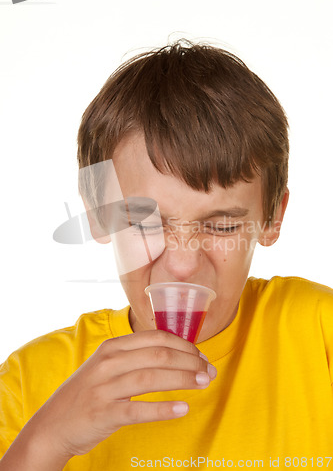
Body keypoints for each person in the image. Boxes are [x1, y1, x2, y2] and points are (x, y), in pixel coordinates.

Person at [1, 40, 333, 470]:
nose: (181, 263)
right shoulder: (30, 382)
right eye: (144, 222)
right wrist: (46, 443)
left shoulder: (319, 335)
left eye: (222, 225)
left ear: (272, 217)